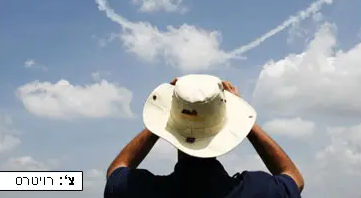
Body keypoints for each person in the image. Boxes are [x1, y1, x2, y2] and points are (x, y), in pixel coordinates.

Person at [104, 74, 304, 198]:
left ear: (170, 128)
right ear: (225, 128)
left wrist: (166, 115)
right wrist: (244, 118)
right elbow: (293, 178)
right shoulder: (256, 191)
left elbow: (116, 172)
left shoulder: (143, 190)